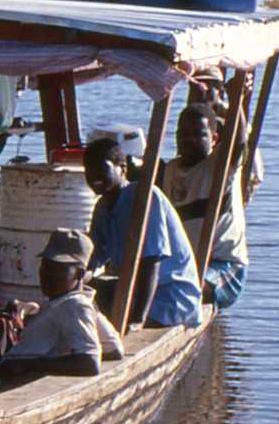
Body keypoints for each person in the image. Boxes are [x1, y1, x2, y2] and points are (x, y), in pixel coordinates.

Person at [83, 136, 203, 329]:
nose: (93, 176)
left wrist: (138, 319)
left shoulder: (146, 198)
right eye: (88, 170)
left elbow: (151, 263)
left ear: (122, 169)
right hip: (134, 289)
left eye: (101, 168)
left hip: (170, 297)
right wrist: (77, 278)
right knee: (87, 296)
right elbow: (95, 255)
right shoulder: (102, 207)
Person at [0, 228, 122, 391]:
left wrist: (27, 365)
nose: (47, 274)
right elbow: (113, 348)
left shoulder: (75, 306)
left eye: (59, 269)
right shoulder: (78, 302)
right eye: (46, 266)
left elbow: (89, 363)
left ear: (80, 273)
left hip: (1, 390)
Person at [160, 103, 250, 309]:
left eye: (198, 134)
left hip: (223, 266)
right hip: (186, 264)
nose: (189, 140)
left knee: (183, 289)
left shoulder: (219, 166)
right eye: (183, 134)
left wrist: (234, 107)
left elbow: (239, 142)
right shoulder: (171, 169)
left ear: (214, 139)